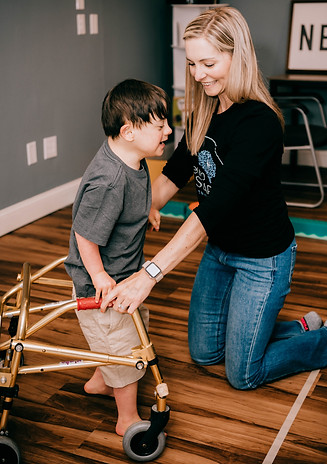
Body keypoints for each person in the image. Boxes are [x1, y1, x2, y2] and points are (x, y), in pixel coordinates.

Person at [101, 8, 327, 391]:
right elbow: (175, 173)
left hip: (263, 259)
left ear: (236, 56)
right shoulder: (205, 110)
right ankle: (300, 325)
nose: (198, 74)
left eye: (208, 63)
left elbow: (213, 209)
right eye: (192, 63)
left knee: (243, 374)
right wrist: (140, 209)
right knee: (205, 353)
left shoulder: (259, 123)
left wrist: (149, 275)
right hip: (220, 252)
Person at [65, 78, 172, 434]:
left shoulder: (134, 159)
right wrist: (98, 276)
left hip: (124, 271)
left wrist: (147, 211)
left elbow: (129, 204)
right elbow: (85, 233)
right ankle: (126, 418)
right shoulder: (110, 180)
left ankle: (100, 379)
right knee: (125, 350)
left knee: (128, 329)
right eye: (160, 126)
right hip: (102, 285)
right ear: (128, 131)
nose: (168, 131)